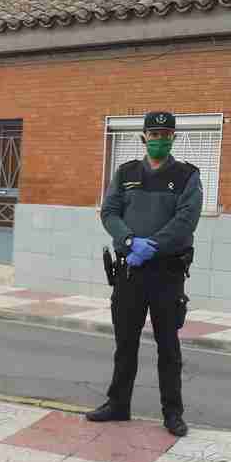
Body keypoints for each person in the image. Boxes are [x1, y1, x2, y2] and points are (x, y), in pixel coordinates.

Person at [88, 111, 202, 437]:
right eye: (154, 135)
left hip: (166, 273)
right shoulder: (125, 173)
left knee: (168, 346)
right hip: (130, 274)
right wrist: (127, 240)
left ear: (173, 138)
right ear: (144, 138)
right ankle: (118, 404)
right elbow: (109, 211)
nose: (160, 140)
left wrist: (151, 246)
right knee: (125, 343)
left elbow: (186, 220)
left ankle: (173, 413)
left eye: (166, 134)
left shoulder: (186, 176)